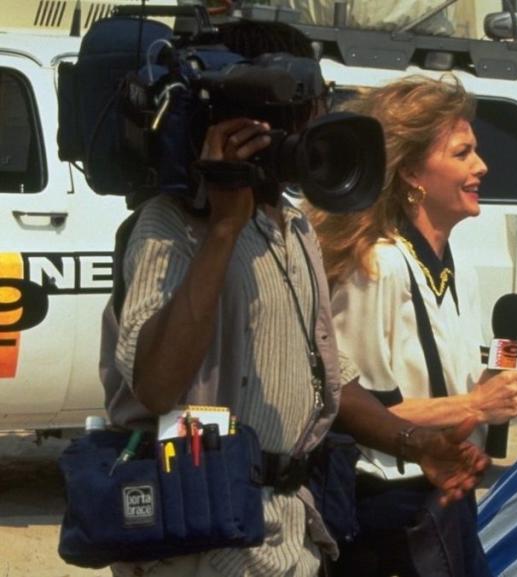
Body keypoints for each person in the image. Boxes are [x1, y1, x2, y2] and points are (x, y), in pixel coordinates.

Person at [100, 21, 488, 577]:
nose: (320, 120)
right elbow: (157, 384)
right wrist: (224, 229)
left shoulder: (292, 228)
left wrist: (416, 443)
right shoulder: (169, 227)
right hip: (202, 546)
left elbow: (330, 377)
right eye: (309, 102)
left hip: (289, 539)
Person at [308, 76, 517, 577]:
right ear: (411, 173)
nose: (482, 167)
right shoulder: (379, 267)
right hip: (389, 515)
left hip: (446, 496)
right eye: (463, 154)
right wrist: (474, 405)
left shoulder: (456, 266)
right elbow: (356, 409)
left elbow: (465, 365)